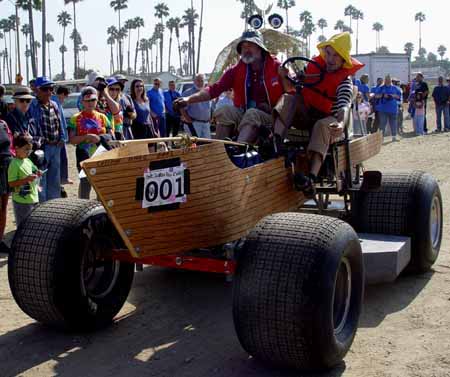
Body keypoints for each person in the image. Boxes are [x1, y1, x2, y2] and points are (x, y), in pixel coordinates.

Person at [174, 30, 287, 142]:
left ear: (260, 48)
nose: (246, 49)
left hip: (271, 117)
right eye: (243, 46)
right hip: (244, 113)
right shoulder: (236, 70)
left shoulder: (277, 67)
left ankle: (239, 150)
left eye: (250, 45)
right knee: (224, 111)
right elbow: (214, 89)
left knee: (252, 114)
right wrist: (188, 99)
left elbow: (290, 94)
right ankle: (220, 154)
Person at [68, 86, 110, 199]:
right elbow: (72, 140)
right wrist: (86, 137)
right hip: (83, 155)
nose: (90, 103)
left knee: (101, 185)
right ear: (82, 101)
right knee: (85, 183)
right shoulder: (75, 118)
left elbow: (111, 137)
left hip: (101, 154)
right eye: (87, 100)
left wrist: (100, 138)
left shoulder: (103, 117)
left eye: (93, 100)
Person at [28, 76, 65, 202]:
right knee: (41, 179)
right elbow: (30, 128)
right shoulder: (32, 106)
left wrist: (61, 138)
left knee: (55, 178)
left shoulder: (54, 104)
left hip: (56, 146)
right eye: (45, 89)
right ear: (37, 90)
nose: (49, 92)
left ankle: (54, 204)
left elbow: (60, 123)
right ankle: (43, 207)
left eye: (51, 88)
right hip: (42, 148)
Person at [8, 133, 43, 226]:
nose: (28, 152)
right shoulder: (14, 164)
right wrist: (26, 179)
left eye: (30, 149)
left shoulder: (28, 160)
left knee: (32, 226)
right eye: (26, 149)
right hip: (21, 202)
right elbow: (11, 183)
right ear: (16, 148)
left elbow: (35, 170)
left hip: (33, 198)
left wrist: (38, 172)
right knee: (23, 227)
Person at [5, 87, 43, 168]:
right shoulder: (9, 119)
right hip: (18, 163)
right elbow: (12, 140)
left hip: (33, 161)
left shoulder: (32, 118)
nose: (25, 103)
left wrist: (31, 139)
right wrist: (28, 140)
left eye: (28, 101)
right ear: (15, 101)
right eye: (22, 100)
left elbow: (41, 137)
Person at [52, 86, 73, 185]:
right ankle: (63, 178)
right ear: (63, 94)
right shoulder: (56, 103)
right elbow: (61, 121)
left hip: (58, 135)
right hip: (60, 136)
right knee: (63, 158)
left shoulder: (54, 102)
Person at [180, 74, 212, 138]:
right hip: (194, 123)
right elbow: (181, 107)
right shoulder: (188, 93)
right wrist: (187, 119)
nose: (200, 83)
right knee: (194, 146)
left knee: (207, 145)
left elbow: (209, 107)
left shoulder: (206, 93)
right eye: (198, 80)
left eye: (202, 81)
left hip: (206, 124)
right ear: (194, 81)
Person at [374, 74, 402, 142]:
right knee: (382, 124)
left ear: (391, 80)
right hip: (383, 109)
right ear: (384, 80)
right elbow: (376, 96)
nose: (388, 81)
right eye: (386, 80)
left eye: (389, 80)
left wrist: (392, 96)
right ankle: (381, 138)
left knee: (394, 123)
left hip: (393, 109)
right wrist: (383, 95)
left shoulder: (395, 88)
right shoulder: (381, 87)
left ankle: (394, 137)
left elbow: (399, 97)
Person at [0, 118, 12, 253]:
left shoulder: (3, 123)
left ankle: (0, 239)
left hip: (5, 168)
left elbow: (11, 146)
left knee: (3, 207)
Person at [114, 74, 136, 140]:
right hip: (118, 129)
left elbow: (134, 114)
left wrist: (130, 114)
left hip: (128, 128)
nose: (122, 84)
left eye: (123, 82)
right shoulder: (112, 97)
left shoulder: (127, 97)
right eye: (120, 82)